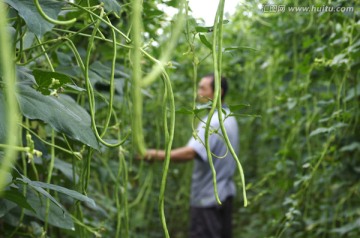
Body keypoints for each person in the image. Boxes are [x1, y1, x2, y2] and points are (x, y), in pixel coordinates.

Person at [143, 74, 239, 238]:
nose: (198, 92)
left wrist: (154, 154)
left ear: (219, 92)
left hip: (208, 200)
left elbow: (190, 153)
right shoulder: (229, 117)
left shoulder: (213, 121)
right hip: (224, 196)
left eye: (203, 88)